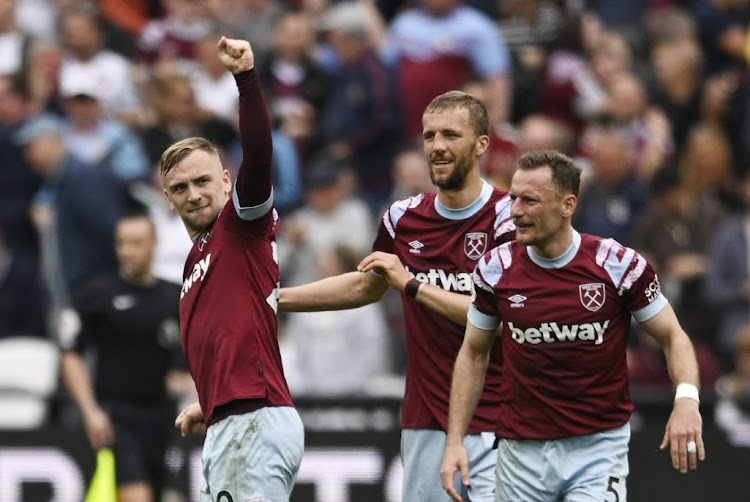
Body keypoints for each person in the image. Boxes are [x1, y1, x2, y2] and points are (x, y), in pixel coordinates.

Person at [280, 90, 516, 501]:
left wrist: (413, 284)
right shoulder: (402, 217)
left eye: (450, 135)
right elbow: (366, 284)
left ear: (481, 144)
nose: (438, 146)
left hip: (501, 417)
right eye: (429, 136)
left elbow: (497, 318)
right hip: (425, 420)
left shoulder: (509, 218)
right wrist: (273, 299)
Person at [440, 150, 705, 502]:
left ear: (567, 205)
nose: (515, 211)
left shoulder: (617, 264)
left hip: (597, 449)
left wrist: (687, 400)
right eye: (513, 198)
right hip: (521, 454)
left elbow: (673, 336)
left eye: (530, 200)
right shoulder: (495, 269)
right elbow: (474, 353)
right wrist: (455, 441)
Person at [165, 37, 304, 501]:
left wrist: (246, 79)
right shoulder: (197, 258)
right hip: (233, 421)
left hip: (254, 422)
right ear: (169, 199)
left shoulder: (241, 224)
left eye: (203, 180)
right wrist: (211, 403)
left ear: (227, 180)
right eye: (180, 188)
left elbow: (260, 154)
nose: (194, 193)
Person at [60, 212, 189, 502]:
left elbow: (197, 351)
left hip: (163, 418)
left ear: (155, 243)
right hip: (116, 417)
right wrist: (90, 411)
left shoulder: (175, 296)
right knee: (137, 495)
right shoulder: (97, 294)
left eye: (136, 243)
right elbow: (70, 355)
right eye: (122, 244)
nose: (127, 251)